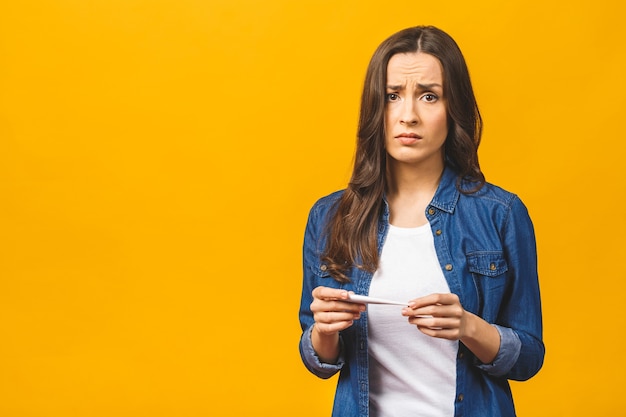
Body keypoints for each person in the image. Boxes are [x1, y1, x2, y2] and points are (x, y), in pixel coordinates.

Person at [298, 26, 544, 417]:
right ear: (376, 108)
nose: (408, 115)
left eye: (429, 96)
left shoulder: (501, 213)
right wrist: (323, 331)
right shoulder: (330, 217)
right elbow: (319, 361)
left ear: (454, 109)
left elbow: (529, 357)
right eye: (393, 96)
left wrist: (469, 327)